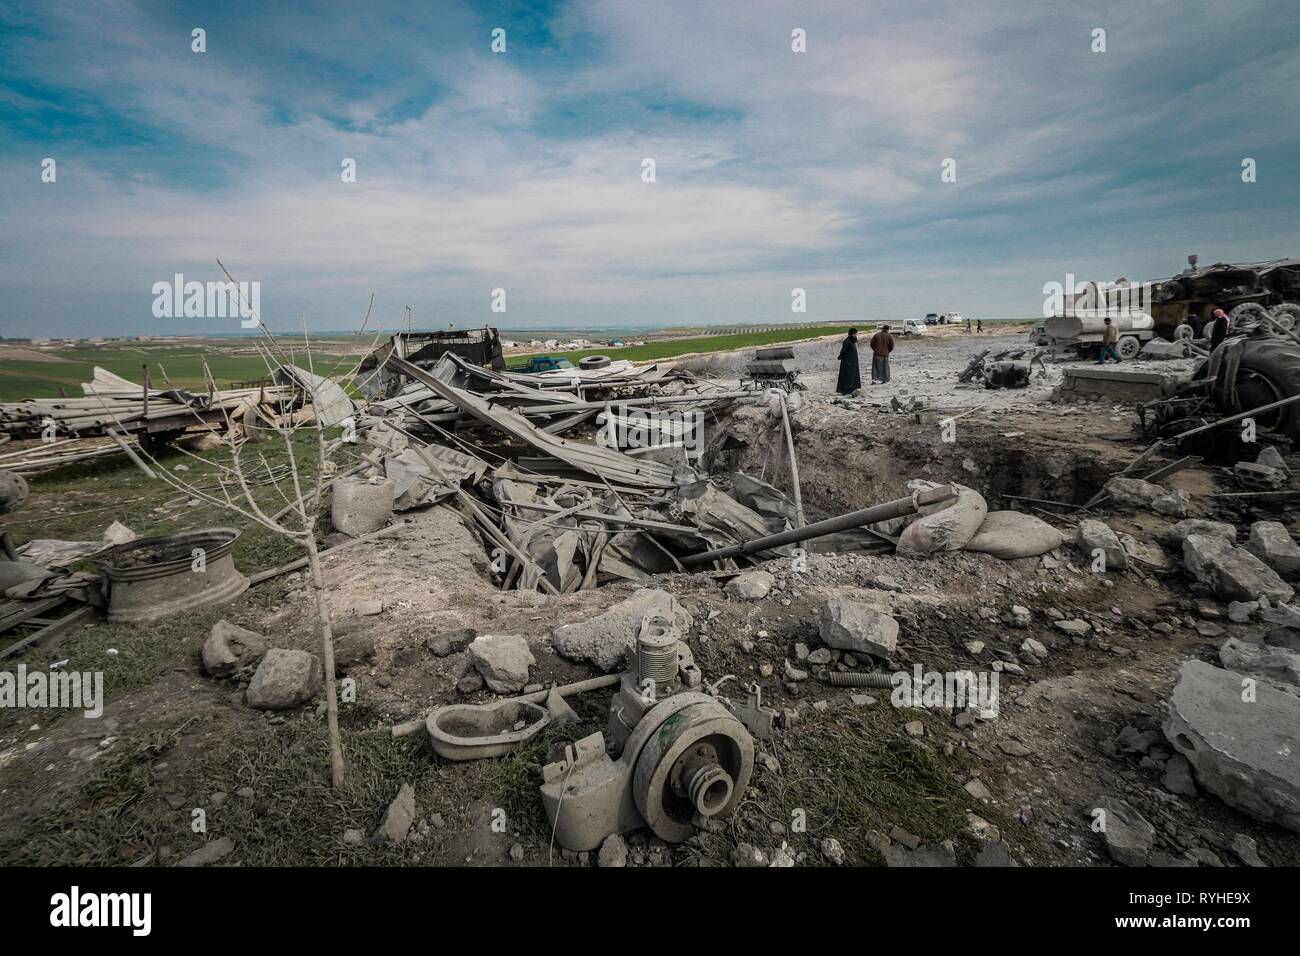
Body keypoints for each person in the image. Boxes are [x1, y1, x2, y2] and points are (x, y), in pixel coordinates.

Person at [835, 328, 861, 394]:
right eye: (854, 334)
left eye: (855, 334)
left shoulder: (852, 341)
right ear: (851, 334)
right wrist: (840, 356)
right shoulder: (847, 341)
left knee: (853, 376)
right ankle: (846, 390)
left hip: (853, 362)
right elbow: (843, 351)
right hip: (847, 362)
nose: (855, 335)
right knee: (847, 376)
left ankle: (852, 389)